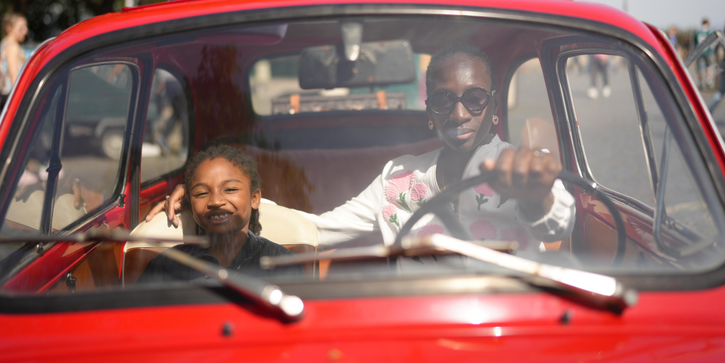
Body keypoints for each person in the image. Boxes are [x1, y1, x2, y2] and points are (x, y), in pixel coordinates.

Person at [147, 45, 575, 253]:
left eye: (475, 98)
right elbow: (317, 229)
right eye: (445, 99)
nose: (460, 112)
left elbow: (558, 223)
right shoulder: (399, 177)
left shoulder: (516, 167)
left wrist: (540, 195)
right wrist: (212, 198)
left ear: (493, 108)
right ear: (430, 110)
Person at [138, 144, 299, 283]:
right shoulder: (166, 266)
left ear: (255, 198)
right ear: (189, 204)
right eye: (201, 193)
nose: (215, 201)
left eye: (230, 189)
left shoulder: (281, 262)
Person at [0, 12, 29, 105]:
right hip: (13, 96)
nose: (25, 31)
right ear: (9, 28)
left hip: (6, 96)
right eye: (21, 28)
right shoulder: (12, 46)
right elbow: (14, 78)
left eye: (25, 27)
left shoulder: (4, 44)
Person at [694, 18, 714, 90]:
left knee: (700, 68)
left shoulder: (698, 31)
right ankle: (708, 80)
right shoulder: (710, 31)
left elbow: (695, 43)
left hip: (700, 51)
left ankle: (700, 82)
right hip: (708, 51)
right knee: (709, 66)